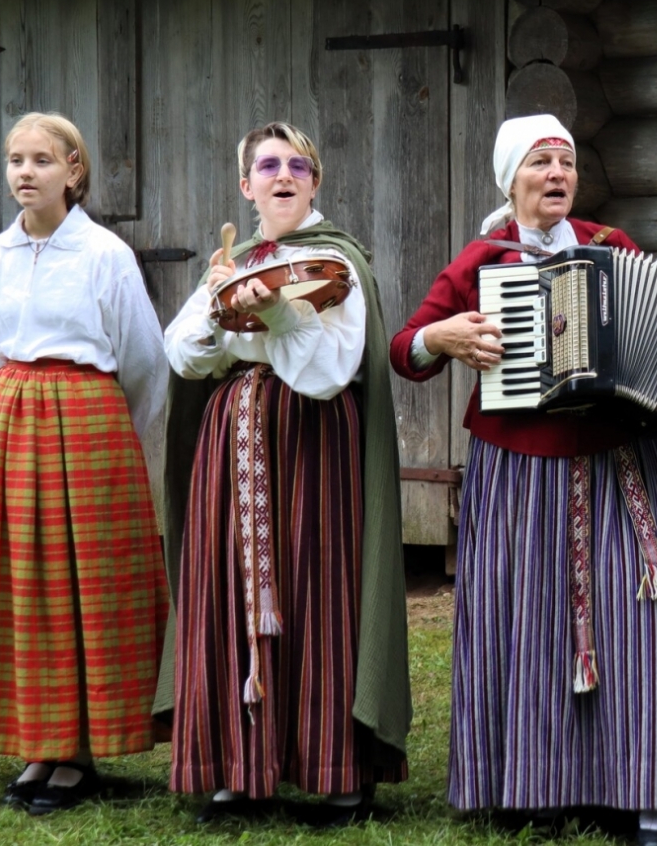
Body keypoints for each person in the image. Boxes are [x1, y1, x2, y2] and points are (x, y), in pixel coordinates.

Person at [390, 114, 657, 846]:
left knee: (634, 620)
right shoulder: (484, 259)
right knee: (526, 617)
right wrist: (442, 336)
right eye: (540, 161)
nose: (555, 174)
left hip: (617, 462)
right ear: (510, 178)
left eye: (565, 162)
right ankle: (532, 783)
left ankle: (644, 790)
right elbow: (406, 351)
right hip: (517, 468)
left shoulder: (614, 248)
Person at [159, 122, 410, 827]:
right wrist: (220, 305)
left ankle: (337, 772)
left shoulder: (338, 264)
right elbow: (183, 355)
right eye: (267, 165)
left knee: (317, 588)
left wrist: (276, 314)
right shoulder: (236, 260)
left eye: (299, 165)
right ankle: (242, 768)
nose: (284, 174)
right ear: (246, 186)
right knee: (231, 589)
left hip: (312, 442)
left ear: (315, 182)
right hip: (231, 444)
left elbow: (330, 372)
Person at [0, 112, 169, 816]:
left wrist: (103, 433)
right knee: (24, 580)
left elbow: (145, 362)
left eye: (41, 158)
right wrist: (20, 403)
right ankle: (41, 740)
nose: (25, 172)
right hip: (10, 422)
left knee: (87, 584)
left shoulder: (104, 255)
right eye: (15, 159)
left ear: (74, 169)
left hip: (91, 424)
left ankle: (80, 751)